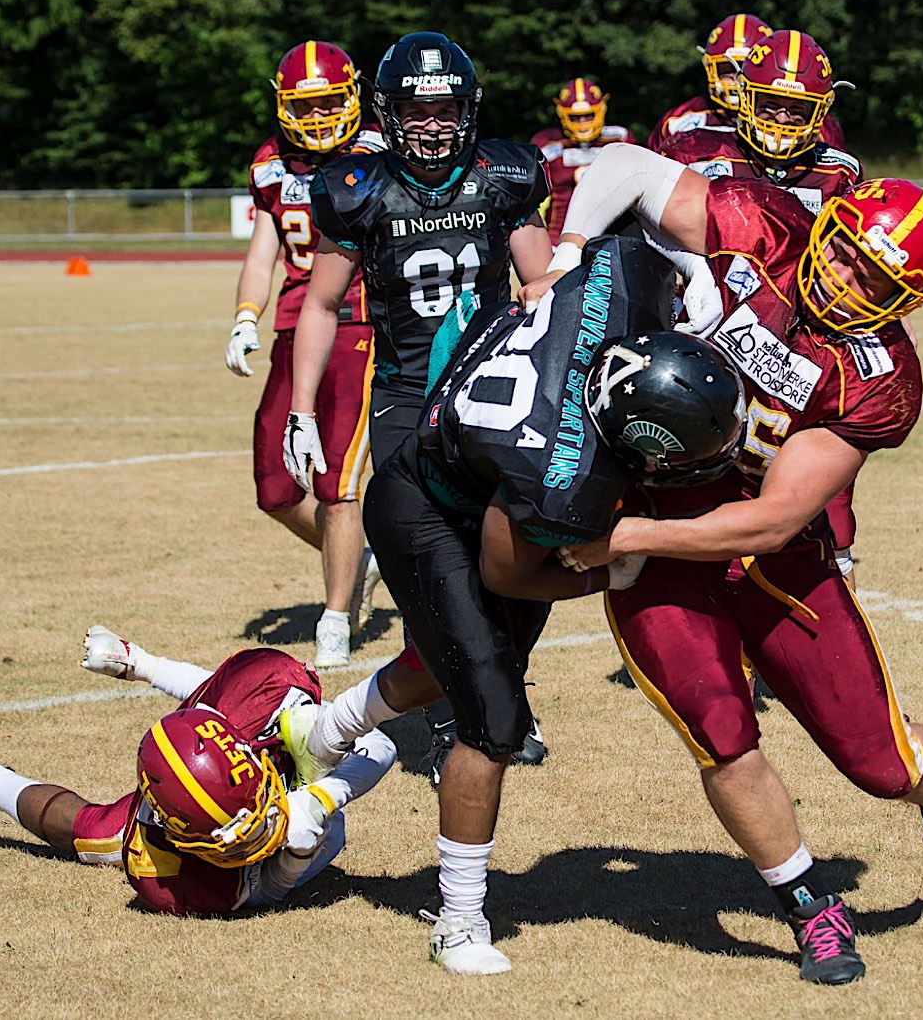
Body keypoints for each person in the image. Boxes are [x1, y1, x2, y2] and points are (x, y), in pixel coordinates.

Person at [522, 165, 923, 986]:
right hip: (658, 528)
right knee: (719, 730)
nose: (847, 284)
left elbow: (775, 518)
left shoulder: (877, 376)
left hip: (769, 559)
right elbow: (625, 167)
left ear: (908, 297)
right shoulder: (762, 227)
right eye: (847, 256)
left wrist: (628, 533)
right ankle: (810, 904)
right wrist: (565, 257)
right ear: (828, 232)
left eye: (878, 281)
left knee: (883, 765)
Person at [295, 237, 745, 975]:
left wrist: (692, 272)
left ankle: (331, 728)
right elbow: (510, 575)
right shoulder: (565, 481)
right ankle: (459, 920)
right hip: (426, 509)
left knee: (462, 666)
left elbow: (628, 233)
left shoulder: (622, 286)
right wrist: (613, 577)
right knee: (494, 720)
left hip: (481, 466)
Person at [283, 31, 555, 779]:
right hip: (406, 391)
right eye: (416, 109)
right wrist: (301, 407)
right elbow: (321, 303)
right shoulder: (355, 187)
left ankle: (498, 692)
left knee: (512, 549)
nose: (432, 123)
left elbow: (541, 286)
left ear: (467, 111)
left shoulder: (505, 174)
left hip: (498, 383)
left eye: (445, 108)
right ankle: (449, 720)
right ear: (388, 113)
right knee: (430, 562)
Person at [0, 627, 396, 915]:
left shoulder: (262, 699)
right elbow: (266, 893)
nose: (261, 831)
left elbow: (378, 742)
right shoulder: (166, 870)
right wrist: (289, 865)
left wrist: (319, 798)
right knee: (92, 834)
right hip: (182, 792)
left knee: (313, 738)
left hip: (244, 752)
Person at [657, 28, 864, 577]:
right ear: (743, 95)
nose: (780, 120)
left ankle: (823, 564)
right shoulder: (695, 148)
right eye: (769, 103)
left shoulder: (837, 171)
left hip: (789, 346)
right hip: (700, 336)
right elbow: (646, 227)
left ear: (820, 112)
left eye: (796, 110)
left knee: (798, 474)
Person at [226, 40, 381, 667]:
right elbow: (262, 253)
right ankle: (361, 559)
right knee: (275, 487)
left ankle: (337, 617)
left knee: (337, 480)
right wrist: (244, 316)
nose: (317, 119)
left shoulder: (378, 152)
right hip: (295, 329)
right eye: (304, 106)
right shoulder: (271, 165)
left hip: (359, 322)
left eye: (326, 104)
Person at [648, 14, 847, 155]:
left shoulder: (816, 125)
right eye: (727, 70)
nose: (736, 79)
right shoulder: (681, 119)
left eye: (744, 67)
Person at [531, 78, 632, 245]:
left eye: (588, 115)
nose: (583, 123)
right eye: (576, 117)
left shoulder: (619, 138)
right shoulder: (548, 144)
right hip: (560, 238)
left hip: (613, 236)